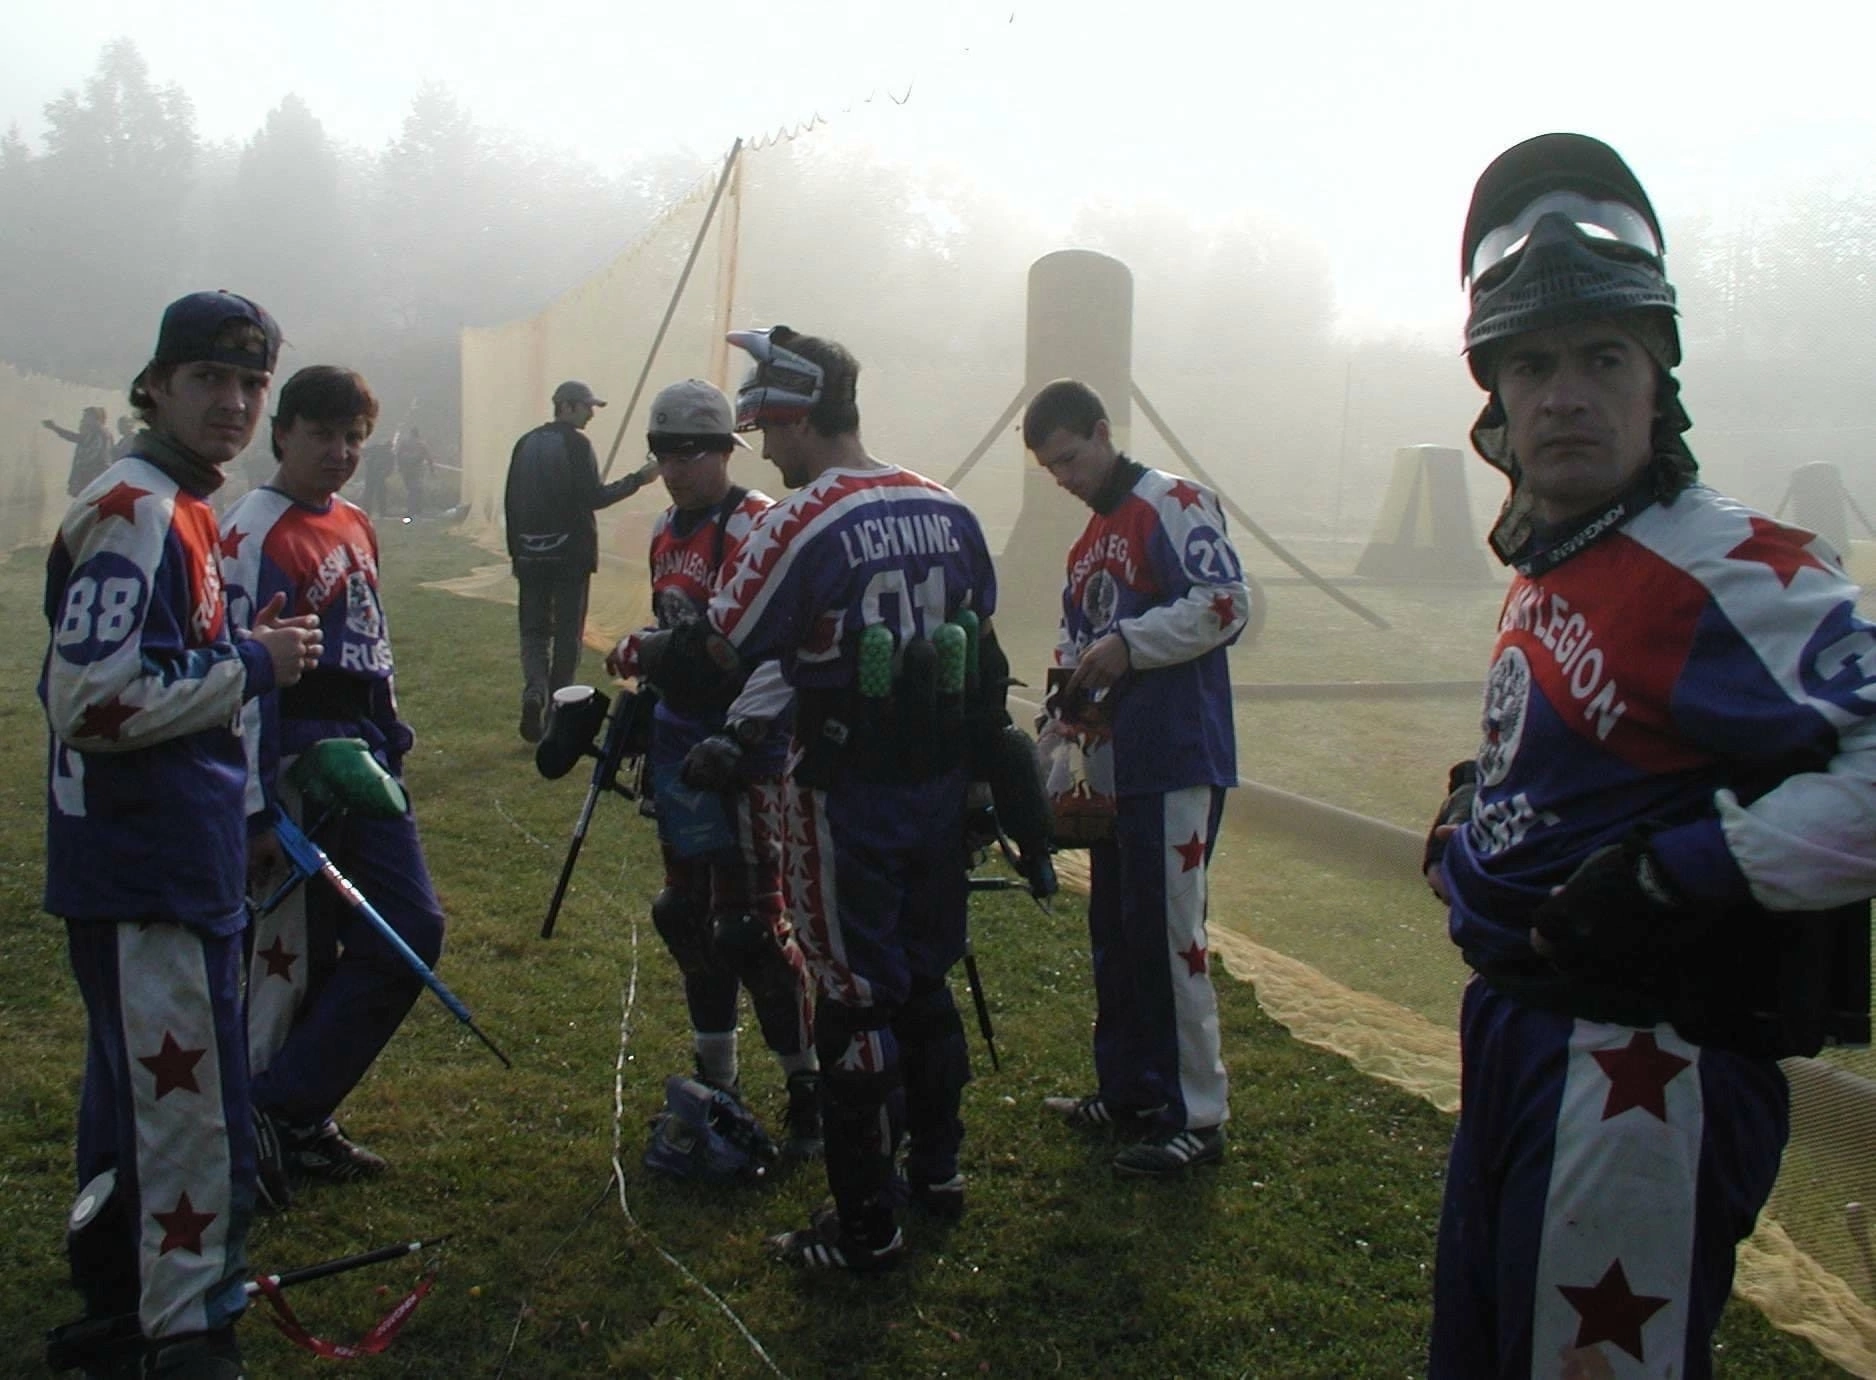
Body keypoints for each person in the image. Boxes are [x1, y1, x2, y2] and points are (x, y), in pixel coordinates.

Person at [1423, 133, 1876, 1379]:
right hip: (1523, 1034)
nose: (1566, 392)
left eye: (1600, 358)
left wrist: (1693, 869)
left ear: (1654, 377)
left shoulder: (1727, 560)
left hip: (1635, 1072)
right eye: (1533, 363)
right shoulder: (1568, 548)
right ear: (1497, 398)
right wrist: (1489, 811)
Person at [636, 327, 1012, 1271]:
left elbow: (723, 649)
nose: (760, 446)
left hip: (839, 796)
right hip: (933, 786)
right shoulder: (947, 506)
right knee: (925, 983)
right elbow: (986, 654)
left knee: (848, 997)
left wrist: (652, 652)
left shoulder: (799, 521)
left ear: (800, 414)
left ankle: (864, 1228)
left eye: (765, 425)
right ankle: (938, 1173)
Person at [39, 291, 322, 1379]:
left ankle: (126, 1299)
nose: (237, 403)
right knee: (188, 1121)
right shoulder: (138, 507)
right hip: (145, 866)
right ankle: (190, 1338)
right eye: (211, 378)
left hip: (169, 859)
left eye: (252, 384)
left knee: (147, 1105)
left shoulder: (183, 508)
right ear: (154, 384)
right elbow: (94, 700)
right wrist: (253, 665)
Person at [220, 365, 447, 1197]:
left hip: (365, 759)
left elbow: (369, 636)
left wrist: (391, 729)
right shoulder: (252, 531)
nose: (341, 452)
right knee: (289, 957)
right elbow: (236, 676)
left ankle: (283, 1111)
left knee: (409, 930)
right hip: (293, 765)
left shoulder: (354, 520)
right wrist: (252, 808)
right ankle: (277, 1128)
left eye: (354, 436)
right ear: (282, 433)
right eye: (322, 434)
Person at [1022, 379, 1251, 1178]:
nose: (1068, 478)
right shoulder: (1087, 546)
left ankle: (1198, 1115)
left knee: (1170, 938)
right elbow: (1071, 646)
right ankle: (1128, 1092)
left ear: (1101, 430)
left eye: (1072, 458)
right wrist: (1054, 727)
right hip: (1111, 771)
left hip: (1177, 757)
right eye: (1053, 472)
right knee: (1117, 935)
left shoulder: (1174, 501)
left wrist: (1131, 641)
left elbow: (1228, 604)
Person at [602, 378, 819, 1157]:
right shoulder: (667, 528)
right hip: (679, 750)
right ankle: (715, 1078)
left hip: (748, 753)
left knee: (751, 930)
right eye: (664, 449)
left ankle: (809, 1086)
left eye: (694, 448)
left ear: (727, 449)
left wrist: (737, 724)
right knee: (683, 916)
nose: (677, 464)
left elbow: (783, 648)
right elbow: (674, 631)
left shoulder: (757, 524)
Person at [504, 379, 658, 743]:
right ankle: (558, 711)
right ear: (568, 406)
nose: (591, 413)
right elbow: (593, 498)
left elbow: (511, 502)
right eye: (588, 406)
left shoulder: (525, 443)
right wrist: (639, 478)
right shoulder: (576, 443)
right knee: (568, 635)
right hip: (570, 556)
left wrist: (516, 553)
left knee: (534, 632)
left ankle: (534, 692)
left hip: (529, 554)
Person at [44, 406, 114, 497]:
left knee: (89, 502)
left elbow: (90, 456)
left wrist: (55, 428)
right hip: (96, 476)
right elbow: (76, 438)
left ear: (93, 417)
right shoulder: (99, 432)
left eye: (85, 417)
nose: (83, 419)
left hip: (92, 476)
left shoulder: (97, 432)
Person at [393, 424, 432, 522]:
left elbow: (398, 454)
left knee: (411, 490)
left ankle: (412, 510)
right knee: (416, 490)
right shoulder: (421, 443)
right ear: (418, 434)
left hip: (406, 470)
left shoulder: (404, 443)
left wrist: (399, 467)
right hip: (416, 471)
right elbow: (428, 457)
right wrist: (432, 470)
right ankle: (414, 511)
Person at [359, 437, 395, 518]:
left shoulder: (387, 453)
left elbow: (390, 468)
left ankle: (378, 511)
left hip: (376, 475)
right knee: (373, 494)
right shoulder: (380, 450)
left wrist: (385, 474)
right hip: (373, 474)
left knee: (376, 494)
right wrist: (368, 461)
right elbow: (363, 452)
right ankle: (375, 511)